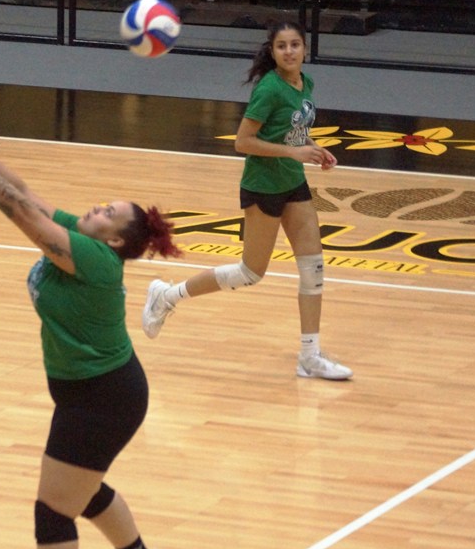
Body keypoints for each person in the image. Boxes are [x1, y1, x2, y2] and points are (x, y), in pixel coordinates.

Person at [0, 119, 181, 549]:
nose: (97, 208)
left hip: (103, 398)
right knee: (81, 488)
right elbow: (25, 193)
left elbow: (22, 215)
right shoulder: (81, 234)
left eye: (108, 213)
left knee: (53, 510)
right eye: (103, 203)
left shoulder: (92, 257)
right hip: (89, 393)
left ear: (115, 240)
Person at [140, 20, 353, 381]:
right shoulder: (269, 89)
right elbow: (243, 142)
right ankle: (167, 296)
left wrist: (314, 149)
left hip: (293, 183)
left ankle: (310, 356)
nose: (289, 51)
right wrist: (294, 152)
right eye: (282, 46)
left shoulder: (305, 83)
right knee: (250, 273)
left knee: (313, 268)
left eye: (295, 44)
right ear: (273, 51)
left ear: (305, 49)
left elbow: (292, 132)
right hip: (263, 185)